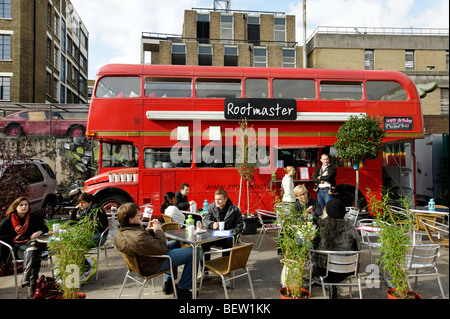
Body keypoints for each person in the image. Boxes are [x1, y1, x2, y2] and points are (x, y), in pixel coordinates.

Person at [114, 202, 195, 299]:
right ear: (131, 220)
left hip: (143, 260)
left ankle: (168, 283)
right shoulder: (138, 238)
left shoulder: (121, 232)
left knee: (175, 244)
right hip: (153, 264)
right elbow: (162, 249)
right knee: (194, 251)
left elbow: (140, 242)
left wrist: (149, 230)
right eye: (138, 216)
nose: (140, 217)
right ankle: (183, 289)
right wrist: (158, 230)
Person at [311, 198, 361, 299]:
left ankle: (324, 282)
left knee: (313, 256)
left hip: (325, 270)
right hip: (348, 269)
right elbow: (356, 249)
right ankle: (333, 286)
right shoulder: (350, 226)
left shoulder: (321, 224)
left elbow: (315, 246)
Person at [0, 197, 48, 298]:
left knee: (33, 246)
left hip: (31, 245)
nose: (24, 207)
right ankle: (31, 290)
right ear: (15, 207)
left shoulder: (32, 217)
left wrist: (40, 231)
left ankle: (26, 278)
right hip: (17, 248)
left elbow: (44, 228)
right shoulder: (8, 220)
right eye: (21, 205)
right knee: (35, 252)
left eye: (26, 205)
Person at [69, 192, 109, 283]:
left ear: (90, 202)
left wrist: (80, 231)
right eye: (79, 203)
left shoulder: (95, 209)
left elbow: (92, 227)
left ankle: (86, 268)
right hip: (90, 235)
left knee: (74, 247)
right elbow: (73, 224)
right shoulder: (86, 210)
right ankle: (83, 266)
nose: (80, 205)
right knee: (70, 245)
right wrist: (74, 211)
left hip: (98, 237)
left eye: (82, 202)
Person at [202, 189, 243, 261]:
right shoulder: (212, 207)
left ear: (225, 199)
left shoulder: (234, 210)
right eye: (215, 199)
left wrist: (229, 233)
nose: (217, 201)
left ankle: (225, 266)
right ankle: (205, 268)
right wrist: (212, 225)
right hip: (215, 236)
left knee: (228, 241)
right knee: (204, 242)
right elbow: (205, 220)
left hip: (229, 236)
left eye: (219, 199)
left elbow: (239, 226)